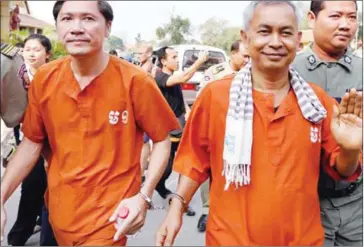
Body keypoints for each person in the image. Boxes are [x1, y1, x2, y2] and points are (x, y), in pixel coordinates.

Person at [155, 1, 362, 246]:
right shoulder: (216, 96)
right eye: (264, 31)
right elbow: (194, 163)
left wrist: (350, 148)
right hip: (230, 239)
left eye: (285, 33)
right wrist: (176, 209)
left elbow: (343, 169)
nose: (275, 42)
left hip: (301, 239)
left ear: (297, 40)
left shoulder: (316, 103)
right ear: (246, 38)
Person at [1, 1, 179, 246]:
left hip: (110, 218)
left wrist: (144, 196)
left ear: (107, 27)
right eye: (67, 19)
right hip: (59, 211)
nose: (76, 27)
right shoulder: (45, 78)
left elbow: (161, 139)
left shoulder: (135, 81)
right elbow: (32, 140)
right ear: (57, 27)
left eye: (87, 18)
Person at [292, 1, 362, 246]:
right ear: (312, 18)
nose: (345, 25)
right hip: (305, 207)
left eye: (352, 17)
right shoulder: (288, 71)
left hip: (357, 205)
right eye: (335, 16)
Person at [6, 34, 56, 246]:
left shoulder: (56, 77)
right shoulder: (15, 77)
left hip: (54, 142)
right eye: (27, 49)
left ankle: (49, 233)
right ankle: (18, 237)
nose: (31, 53)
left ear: (48, 54)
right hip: (28, 141)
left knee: (54, 192)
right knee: (31, 187)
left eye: (36, 49)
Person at [196, 39, 249, 233]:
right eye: (244, 56)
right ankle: (206, 210)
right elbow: (202, 101)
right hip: (217, 130)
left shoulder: (253, 73)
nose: (247, 60)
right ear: (233, 53)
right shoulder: (216, 74)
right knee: (210, 169)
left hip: (243, 130)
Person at [153, 46, 207, 198]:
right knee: (166, 165)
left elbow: (179, 94)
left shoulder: (172, 77)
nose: (177, 61)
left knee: (187, 161)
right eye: (174, 58)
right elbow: (183, 78)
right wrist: (199, 62)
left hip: (178, 123)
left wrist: (186, 111)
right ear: (163, 61)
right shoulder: (161, 78)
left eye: (177, 57)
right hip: (167, 128)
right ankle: (154, 189)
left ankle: (180, 198)